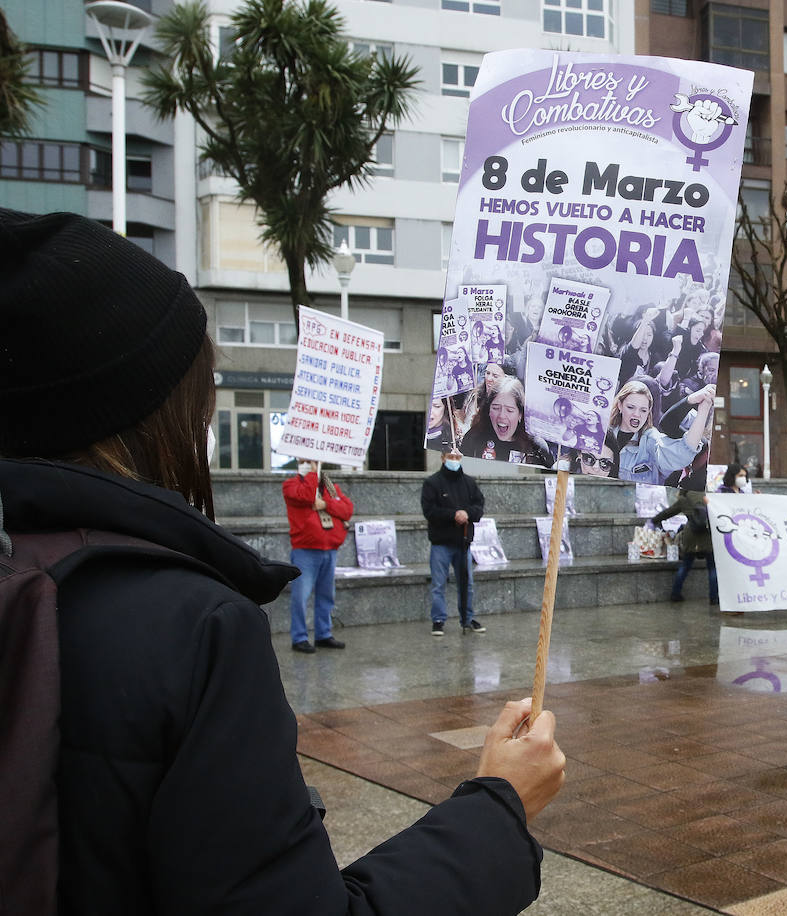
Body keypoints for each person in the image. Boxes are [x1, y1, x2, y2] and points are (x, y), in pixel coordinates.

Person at [0, 208, 564, 912]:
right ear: (157, 411)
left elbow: (343, 511)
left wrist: (336, 501)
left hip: (332, 548)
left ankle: (323, 630)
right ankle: (311, 633)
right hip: (320, 548)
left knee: (326, 598)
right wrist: (498, 805)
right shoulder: (192, 629)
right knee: (319, 598)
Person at [282, 459, 354, 653]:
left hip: (329, 549)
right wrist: (313, 474)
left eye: (314, 461)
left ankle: (323, 634)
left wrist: (325, 504)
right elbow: (306, 496)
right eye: (307, 461)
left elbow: (347, 509)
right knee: (301, 596)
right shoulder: (291, 485)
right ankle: (299, 637)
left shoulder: (330, 487)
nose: (311, 464)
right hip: (305, 550)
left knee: (326, 595)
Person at [422, 449, 486, 635]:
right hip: (441, 542)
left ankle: (467, 618)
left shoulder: (469, 483)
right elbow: (429, 511)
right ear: (443, 458)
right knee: (438, 584)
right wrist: (453, 515)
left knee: (467, 584)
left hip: (463, 542)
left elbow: (479, 506)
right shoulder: (432, 483)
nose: (454, 460)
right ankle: (438, 620)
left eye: (457, 457)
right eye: (451, 457)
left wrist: (467, 513)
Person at [605, 379, 713, 484]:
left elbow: (682, 453)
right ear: (620, 405)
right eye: (630, 407)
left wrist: (703, 408)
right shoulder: (602, 434)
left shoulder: (650, 439)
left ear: (649, 412)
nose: (637, 414)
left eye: (643, 410)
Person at [459, 376, 553, 467]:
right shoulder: (475, 437)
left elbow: (552, 476)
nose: (502, 415)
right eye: (496, 408)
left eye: (509, 410)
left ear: (520, 414)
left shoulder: (536, 447)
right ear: (489, 410)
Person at [651, 478, 718, 605]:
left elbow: (669, 512)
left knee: (685, 566)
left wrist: (654, 520)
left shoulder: (684, 499)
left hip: (691, 537)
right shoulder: (709, 496)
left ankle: (675, 593)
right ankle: (714, 598)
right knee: (712, 568)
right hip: (708, 536)